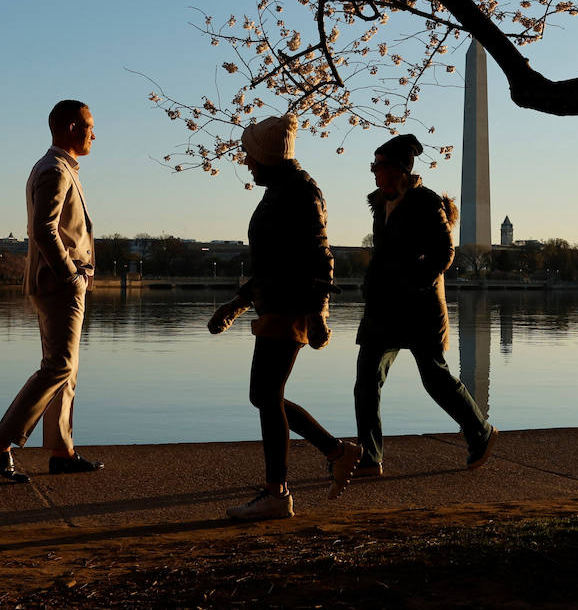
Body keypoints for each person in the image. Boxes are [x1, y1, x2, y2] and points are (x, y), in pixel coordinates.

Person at [208, 113, 363, 521]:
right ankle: (334, 452)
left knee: (264, 393)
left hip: (292, 306)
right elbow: (270, 264)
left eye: (250, 156)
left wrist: (317, 313)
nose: (246, 162)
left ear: (268, 157)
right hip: (278, 303)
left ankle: (280, 491)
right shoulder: (281, 188)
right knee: (265, 395)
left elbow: (320, 254)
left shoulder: (299, 191)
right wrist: (236, 304)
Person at [353, 133, 498, 478]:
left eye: (379, 165)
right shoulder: (381, 205)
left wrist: (413, 281)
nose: (373, 171)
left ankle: (481, 432)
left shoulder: (426, 202)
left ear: (398, 169)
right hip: (383, 309)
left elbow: (445, 254)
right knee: (366, 381)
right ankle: (370, 458)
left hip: (419, 308)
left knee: (434, 377)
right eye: (373, 165)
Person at [0, 100, 103, 483]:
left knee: (67, 369)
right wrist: (71, 276)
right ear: (69, 127)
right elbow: (43, 230)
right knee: (59, 366)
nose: (94, 135)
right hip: (58, 284)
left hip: (59, 283)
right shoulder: (54, 170)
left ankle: (61, 451)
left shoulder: (59, 168)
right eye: (89, 126)